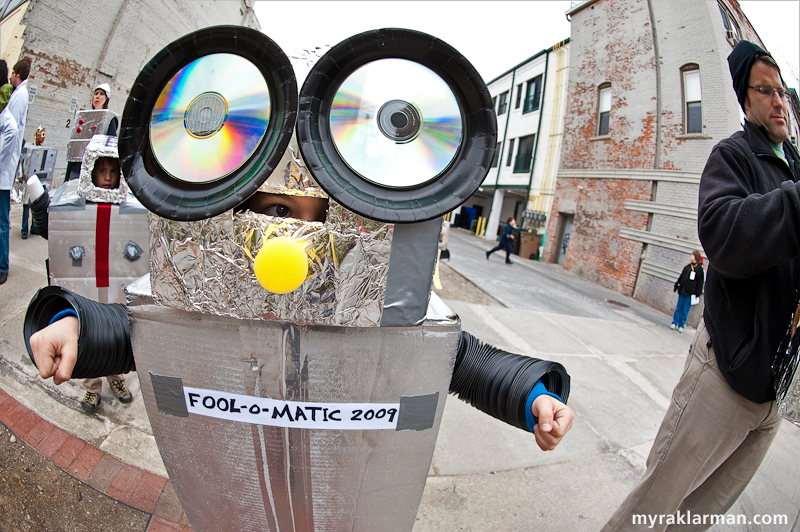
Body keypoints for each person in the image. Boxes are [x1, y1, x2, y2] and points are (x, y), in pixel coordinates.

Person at [29, 192, 574, 448]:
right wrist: (76, 325)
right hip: (236, 463)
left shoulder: (379, 297)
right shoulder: (211, 283)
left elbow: (457, 357)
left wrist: (531, 398)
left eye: (323, 217)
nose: (296, 240)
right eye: (276, 212)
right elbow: (146, 327)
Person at [600, 40, 800, 532]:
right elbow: (725, 237)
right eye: (767, 91)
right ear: (745, 100)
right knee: (654, 507)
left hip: (772, 391)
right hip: (725, 376)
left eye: (784, 93)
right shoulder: (732, 156)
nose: (780, 103)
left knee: (697, 518)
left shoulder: (794, 163)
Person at [0, 57, 31, 285]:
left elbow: (11, 130)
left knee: (2, 221)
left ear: (17, 74)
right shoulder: (18, 93)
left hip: (4, 167)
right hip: (5, 164)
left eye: (13, 74)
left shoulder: (18, 95)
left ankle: (2, 266)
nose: (11, 77)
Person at [65, 83, 117, 182]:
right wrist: (67, 176)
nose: (97, 96)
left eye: (101, 94)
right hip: (76, 169)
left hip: (95, 170)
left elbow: (110, 148)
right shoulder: (84, 118)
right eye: (96, 93)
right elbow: (75, 145)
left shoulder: (109, 119)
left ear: (106, 99)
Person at [19, 125, 46, 239]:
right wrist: (20, 175)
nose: (43, 138)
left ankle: (34, 228)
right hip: (27, 180)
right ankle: (24, 229)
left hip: (37, 181)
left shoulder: (43, 150)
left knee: (36, 205)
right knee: (26, 206)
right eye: (42, 135)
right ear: (37, 135)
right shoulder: (29, 148)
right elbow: (21, 161)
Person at [669, 250, 704, 333]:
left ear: (696, 257)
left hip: (690, 293)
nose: (691, 256)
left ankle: (681, 324)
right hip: (683, 291)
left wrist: (697, 293)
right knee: (679, 307)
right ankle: (674, 322)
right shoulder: (688, 267)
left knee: (685, 310)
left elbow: (700, 283)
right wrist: (677, 285)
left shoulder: (699, 269)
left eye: (692, 255)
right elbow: (682, 277)